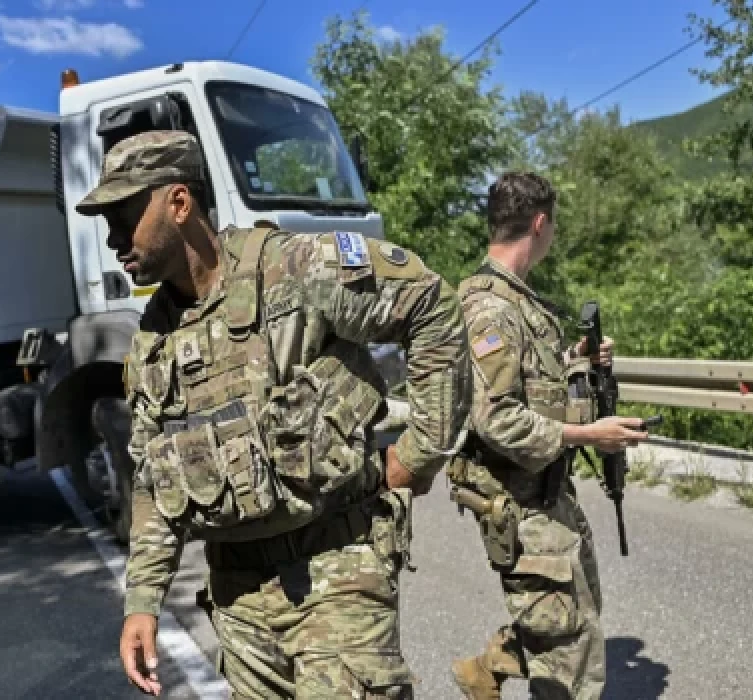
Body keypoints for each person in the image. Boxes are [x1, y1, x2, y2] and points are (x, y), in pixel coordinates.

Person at [74, 130, 472, 699]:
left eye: (123, 216)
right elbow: (153, 478)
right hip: (238, 597)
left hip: (337, 570)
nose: (113, 239)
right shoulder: (153, 339)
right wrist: (142, 601)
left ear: (179, 203)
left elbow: (432, 306)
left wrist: (421, 453)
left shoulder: (296, 267)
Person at [446, 171, 648, 700]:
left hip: (546, 491)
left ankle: (487, 669)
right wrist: (588, 433)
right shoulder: (490, 308)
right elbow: (497, 418)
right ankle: (501, 670)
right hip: (518, 500)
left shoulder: (517, 300)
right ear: (540, 224)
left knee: (576, 612)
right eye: (552, 225)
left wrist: (574, 361)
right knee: (570, 653)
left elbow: (524, 380)